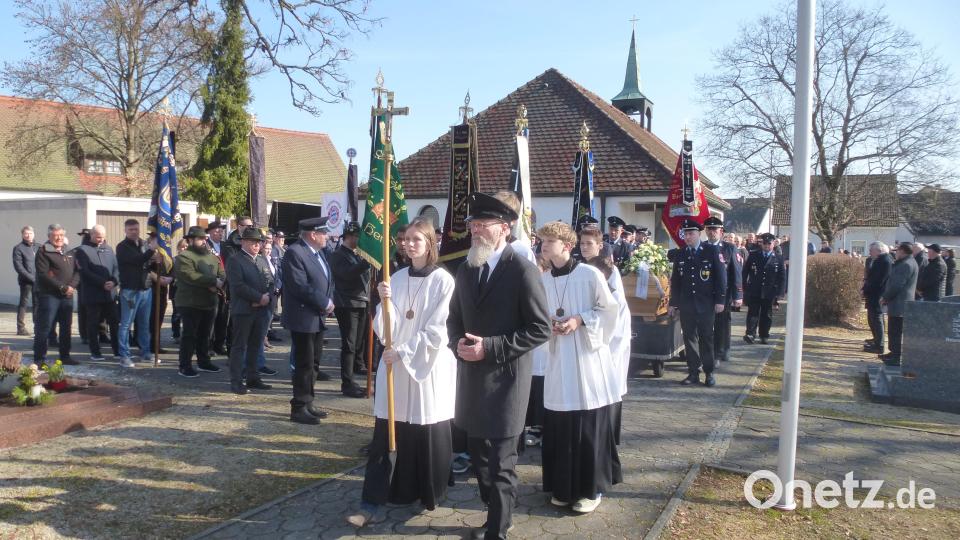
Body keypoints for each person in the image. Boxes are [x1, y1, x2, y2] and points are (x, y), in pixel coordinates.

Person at [446, 192, 551, 540]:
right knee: (478, 457)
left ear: (504, 228)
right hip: (473, 381)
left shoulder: (522, 270)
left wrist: (489, 348)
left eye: (482, 225)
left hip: (507, 382)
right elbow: (454, 319)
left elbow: (540, 328)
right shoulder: (466, 268)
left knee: (502, 463)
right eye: (472, 225)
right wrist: (457, 344)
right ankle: (497, 511)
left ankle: (497, 531)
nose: (475, 231)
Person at [346, 218, 457, 528]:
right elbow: (385, 328)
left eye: (416, 239)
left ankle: (428, 492)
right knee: (386, 434)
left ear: (430, 243)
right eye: (405, 239)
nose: (408, 244)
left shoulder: (443, 281)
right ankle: (373, 500)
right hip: (395, 365)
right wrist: (385, 301)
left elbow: (437, 329)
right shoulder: (395, 277)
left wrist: (405, 351)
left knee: (425, 430)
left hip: (426, 367)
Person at [536, 220, 620, 514]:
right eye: (541, 241)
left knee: (586, 426)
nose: (543, 246)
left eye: (548, 242)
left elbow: (610, 311)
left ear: (566, 246)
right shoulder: (544, 279)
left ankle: (590, 490)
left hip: (586, 361)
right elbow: (538, 316)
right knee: (560, 425)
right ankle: (563, 487)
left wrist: (579, 320)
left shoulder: (589, 274)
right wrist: (550, 325)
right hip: (559, 360)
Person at [579, 225, 631, 444]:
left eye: (589, 244)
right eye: (581, 243)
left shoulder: (609, 271)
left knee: (610, 387)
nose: (584, 247)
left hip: (610, 339)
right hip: (591, 335)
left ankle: (609, 437)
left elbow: (613, 308)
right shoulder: (582, 268)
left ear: (600, 246)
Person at [282, 216, 336, 425]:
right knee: (304, 363)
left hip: (317, 316)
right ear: (313, 234)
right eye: (324, 232)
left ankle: (308, 402)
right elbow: (299, 286)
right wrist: (324, 301)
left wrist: (329, 301)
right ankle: (298, 407)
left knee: (313, 363)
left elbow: (327, 279)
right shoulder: (295, 252)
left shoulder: (318, 252)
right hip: (303, 317)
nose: (327, 236)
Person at [668, 219, 726, 387]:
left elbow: (721, 278)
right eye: (685, 234)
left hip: (706, 304)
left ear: (699, 233)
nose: (687, 237)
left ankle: (709, 373)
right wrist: (673, 303)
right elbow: (676, 281)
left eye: (691, 233)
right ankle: (693, 372)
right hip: (687, 305)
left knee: (706, 338)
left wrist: (720, 300)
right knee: (689, 338)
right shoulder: (681, 254)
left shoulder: (711, 251)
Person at [225, 227, 274, 395]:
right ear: (243, 242)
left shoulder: (261, 260)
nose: (256, 245)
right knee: (240, 346)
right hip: (244, 310)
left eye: (259, 242)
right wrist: (258, 298)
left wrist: (267, 297)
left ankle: (253, 377)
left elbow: (271, 280)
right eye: (253, 241)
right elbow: (238, 286)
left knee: (255, 345)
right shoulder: (235, 260)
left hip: (262, 310)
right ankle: (236, 381)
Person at [174, 226, 225, 377]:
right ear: (190, 240)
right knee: (190, 335)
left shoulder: (210, 255)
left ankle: (204, 361)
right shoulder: (184, 257)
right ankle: (185, 365)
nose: (203, 241)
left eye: (204, 238)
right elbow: (189, 275)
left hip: (209, 301)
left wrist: (219, 281)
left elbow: (221, 271)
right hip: (190, 302)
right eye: (200, 239)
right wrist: (212, 282)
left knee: (205, 334)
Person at [329, 221, 372, 398]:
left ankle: (355, 371)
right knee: (349, 344)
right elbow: (347, 274)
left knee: (359, 342)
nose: (359, 240)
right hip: (347, 304)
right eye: (357, 237)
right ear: (349, 236)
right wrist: (366, 261)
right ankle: (347, 383)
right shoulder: (338, 254)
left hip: (361, 302)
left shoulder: (355, 254)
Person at [33, 224, 79, 367]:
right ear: (49, 237)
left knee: (66, 327)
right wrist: (63, 287)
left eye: (61, 235)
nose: (59, 238)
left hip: (67, 296)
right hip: (49, 296)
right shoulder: (43, 251)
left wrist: (72, 286)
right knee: (45, 328)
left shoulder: (69, 251)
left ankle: (65, 356)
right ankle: (39, 359)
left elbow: (78, 271)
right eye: (55, 235)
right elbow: (43, 275)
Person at [74, 225, 120, 361]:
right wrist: (102, 283)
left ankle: (117, 350)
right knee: (93, 324)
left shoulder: (109, 249)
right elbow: (84, 272)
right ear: (92, 235)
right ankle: (95, 352)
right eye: (98, 236)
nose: (101, 239)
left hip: (110, 294)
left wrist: (114, 281)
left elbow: (116, 268)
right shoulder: (82, 251)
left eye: (103, 236)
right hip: (93, 294)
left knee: (114, 322)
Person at [116, 219, 157, 367]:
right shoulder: (122, 247)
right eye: (131, 229)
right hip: (130, 291)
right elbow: (137, 260)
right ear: (125, 231)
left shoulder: (143, 244)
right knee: (126, 324)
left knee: (144, 324)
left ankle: (146, 353)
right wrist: (151, 251)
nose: (134, 232)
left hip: (145, 289)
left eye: (136, 229)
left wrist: (155, 257)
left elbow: (147, 263)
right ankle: (124, 356)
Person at [703, 216, 742, 363]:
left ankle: (721, 351)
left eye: (715, 229)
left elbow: (736, 273)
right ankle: (711, 352)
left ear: (721, 231)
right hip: (706, 293)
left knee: (722, 323)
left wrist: (738, 294)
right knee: (708, 324)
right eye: (709, 229)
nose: (712, 232)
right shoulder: (702, 247)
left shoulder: (729, 248)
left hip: (724, 293)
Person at [742, 233, 785, 345]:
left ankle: (764, 335)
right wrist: (744, 287)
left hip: (769, 291)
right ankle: (750, 334)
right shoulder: (754, 255)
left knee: (766, 314)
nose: (766, 246)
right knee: (753, 313)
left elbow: (782, 277)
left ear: (773, 244)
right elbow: (745, 272)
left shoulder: (778, 258)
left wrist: (780, 293)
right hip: (755, 289)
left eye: (769, 244)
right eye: (764, 244)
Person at [880, 243, 919, 366]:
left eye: (897, 251)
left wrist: (885, 297)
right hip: (900, 302)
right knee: (894, 330)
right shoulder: (910, 262)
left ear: (902, 251)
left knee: (895, 330)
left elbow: (897, 285)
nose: (895, 253)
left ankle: (896, 356)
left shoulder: (905, 264)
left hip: (899, 303)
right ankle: (893, 353)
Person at [862, 242, 893, 354]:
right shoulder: (879, 260)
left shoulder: (885, 261)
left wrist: (867, 289)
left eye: (871, 250)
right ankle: (876, 340)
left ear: (879, 250)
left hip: (878, 294)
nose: (869, 252)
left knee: (877, 319)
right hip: (873, 294)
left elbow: (878, 280)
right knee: (872, 319)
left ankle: (879, 345)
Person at [206, 221, 230, 355]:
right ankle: (208, 345)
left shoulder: (225, 246)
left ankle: (219, 344)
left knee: (223, 317)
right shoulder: (206, 246)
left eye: (221, 231)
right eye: (217, 231)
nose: (220, 234)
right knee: (211, 318)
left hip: (225, 286)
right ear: (209, 232)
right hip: (212, 286)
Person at [12, 225, 38, 336]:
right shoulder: (18, 248)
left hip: (39, 281)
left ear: (34, 234)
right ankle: (20, 328)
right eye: (26, 233)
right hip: (26, 281)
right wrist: (32, 278)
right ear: (22, 235)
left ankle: (37, 326)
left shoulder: (39, 247)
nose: (28, 235)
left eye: (30, 233)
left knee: (37, 304)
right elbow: (19, 267)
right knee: (24, 303)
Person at [170, 238, 189, 342]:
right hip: (176, 290)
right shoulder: (174, 260)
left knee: (187, 314)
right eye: (182, 247)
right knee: (177, 313)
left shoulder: (191, 260)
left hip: (188, 291)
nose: (184, 248)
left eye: (186, 246)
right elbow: (171, 274)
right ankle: (176, 334)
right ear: (178, 248)